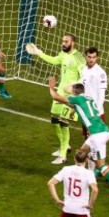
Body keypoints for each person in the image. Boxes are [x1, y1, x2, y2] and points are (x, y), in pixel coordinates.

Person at [48, 76, 109, 196]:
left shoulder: (77, 99)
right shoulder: (88, 98)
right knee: (82, 152)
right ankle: (92, 173)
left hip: (97, 135)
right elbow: (76, 107)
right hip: (101, 131)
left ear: (74, 92)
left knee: (101, 164)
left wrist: (51, 87)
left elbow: (55, 97)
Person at [26, 34, 85, 164]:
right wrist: (39, 53)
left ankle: (63, 155)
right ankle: (65, 146)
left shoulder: (78, 58)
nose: (63, 43)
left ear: (73, 43)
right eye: (63, 41)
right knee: (54, 120)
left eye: (66, 41)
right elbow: (54, 60)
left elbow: (84, 76)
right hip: (59, 92)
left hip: (71, 96)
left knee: (64, 123)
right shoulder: (63, 54)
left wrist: (75, 88)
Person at [80, 47, 108, 130]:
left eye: (93, 57)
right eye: (89, 57)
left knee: (98, 139)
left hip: (96, 112)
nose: (91, 60)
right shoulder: (84, 70)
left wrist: (96, 113)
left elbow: (101, 96)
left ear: (97, 58)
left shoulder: (100, 73)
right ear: (86, 57)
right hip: (85, 110)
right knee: (86, 138)